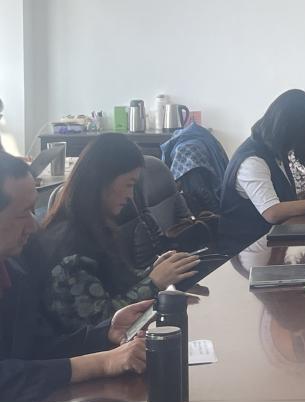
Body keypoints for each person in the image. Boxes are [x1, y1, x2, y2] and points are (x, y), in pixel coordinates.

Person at [0, 152, 151, 402]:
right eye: (23, 213)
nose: (34, 226)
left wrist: (104, 333)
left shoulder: (14, 268)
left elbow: (35, 347)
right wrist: (101, 363)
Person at [29, 134, 200, 333]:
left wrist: (153, 271)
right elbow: (102, 323)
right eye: (129, 185)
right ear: (101, 181)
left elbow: (114, 285)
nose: (130, 196)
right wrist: (154, 283)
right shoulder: (71, 251)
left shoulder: (94, 226)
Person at [216, 90, 305, 254]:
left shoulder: (275, 151)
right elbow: (272, 212)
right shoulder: (252, 160)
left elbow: (275, 201)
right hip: (246, 250)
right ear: (290, 130)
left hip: (275, 242)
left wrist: (299, 197)